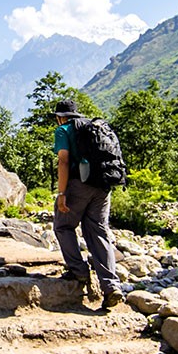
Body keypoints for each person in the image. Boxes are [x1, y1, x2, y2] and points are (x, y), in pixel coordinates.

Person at [52, 99, 124, 309]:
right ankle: (111, 286)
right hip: (103, 186)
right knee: (99, 232)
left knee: (63, 226)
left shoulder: (63, 130)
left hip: (78, 185)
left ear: (60, 116)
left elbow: (64, 161)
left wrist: (62, 193)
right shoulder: (93, 127)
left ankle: (79, 272)